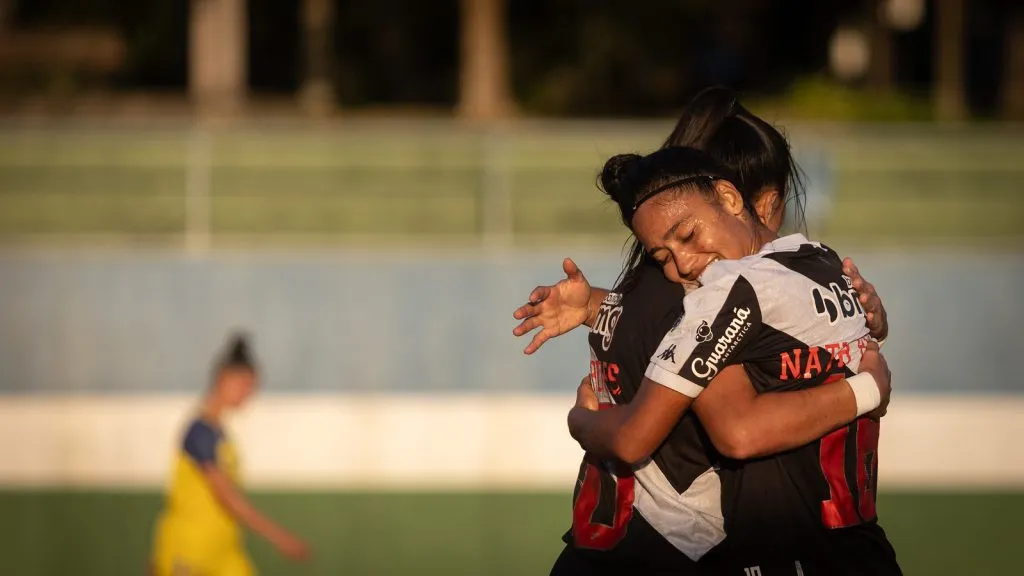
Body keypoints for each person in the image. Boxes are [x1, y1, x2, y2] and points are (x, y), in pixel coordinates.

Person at [516, 88, 894, 575]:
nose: (685, 264)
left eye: (689, 236)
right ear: (769, 199)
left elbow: (725, 429)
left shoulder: (697, 296)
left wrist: (580, 422)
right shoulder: (823, 264)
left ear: (733, 197)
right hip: (831, 548)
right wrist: (872, 368)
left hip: (660, 548)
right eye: (663, 253)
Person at [150, 333, 310, 576]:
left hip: (223, 552)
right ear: (224, 378)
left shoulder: (221, 435)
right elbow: (228, 497)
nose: (250, 394)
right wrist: (279, 537)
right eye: (246, 385)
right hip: (191, 555)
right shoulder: (200, 433)